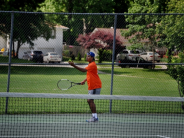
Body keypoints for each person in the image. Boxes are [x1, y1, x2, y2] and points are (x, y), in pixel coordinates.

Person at [68, 52, 102, 122]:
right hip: (92, 86)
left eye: (88, 56)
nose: (87, 57)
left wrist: (74, 65)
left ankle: (95, 118)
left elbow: (83, 70)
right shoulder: (90, 64)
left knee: (90, 100)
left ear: (92, 58)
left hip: (95, 85)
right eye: (86, 56)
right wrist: (84, 81)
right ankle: (94, 117)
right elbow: (90, 74)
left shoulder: (92, 64)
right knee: (90, 100)